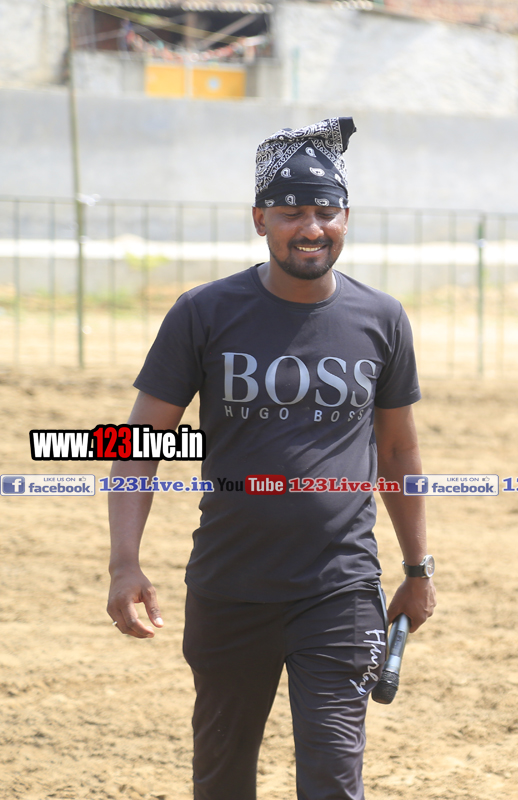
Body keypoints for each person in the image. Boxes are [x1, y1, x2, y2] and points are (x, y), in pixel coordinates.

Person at [105, 116, 436, 800]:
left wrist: (417, 569)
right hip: (229, 586)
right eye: (291, 212)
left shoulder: (382, 319)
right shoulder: (204, 312)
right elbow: (137, 446)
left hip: (341, 588)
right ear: (260, 220)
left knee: (333, 779)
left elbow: (399, 451)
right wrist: (124, 563)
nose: (311, 228)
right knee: (222, 779)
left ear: (346, 218)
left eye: (326, 211)